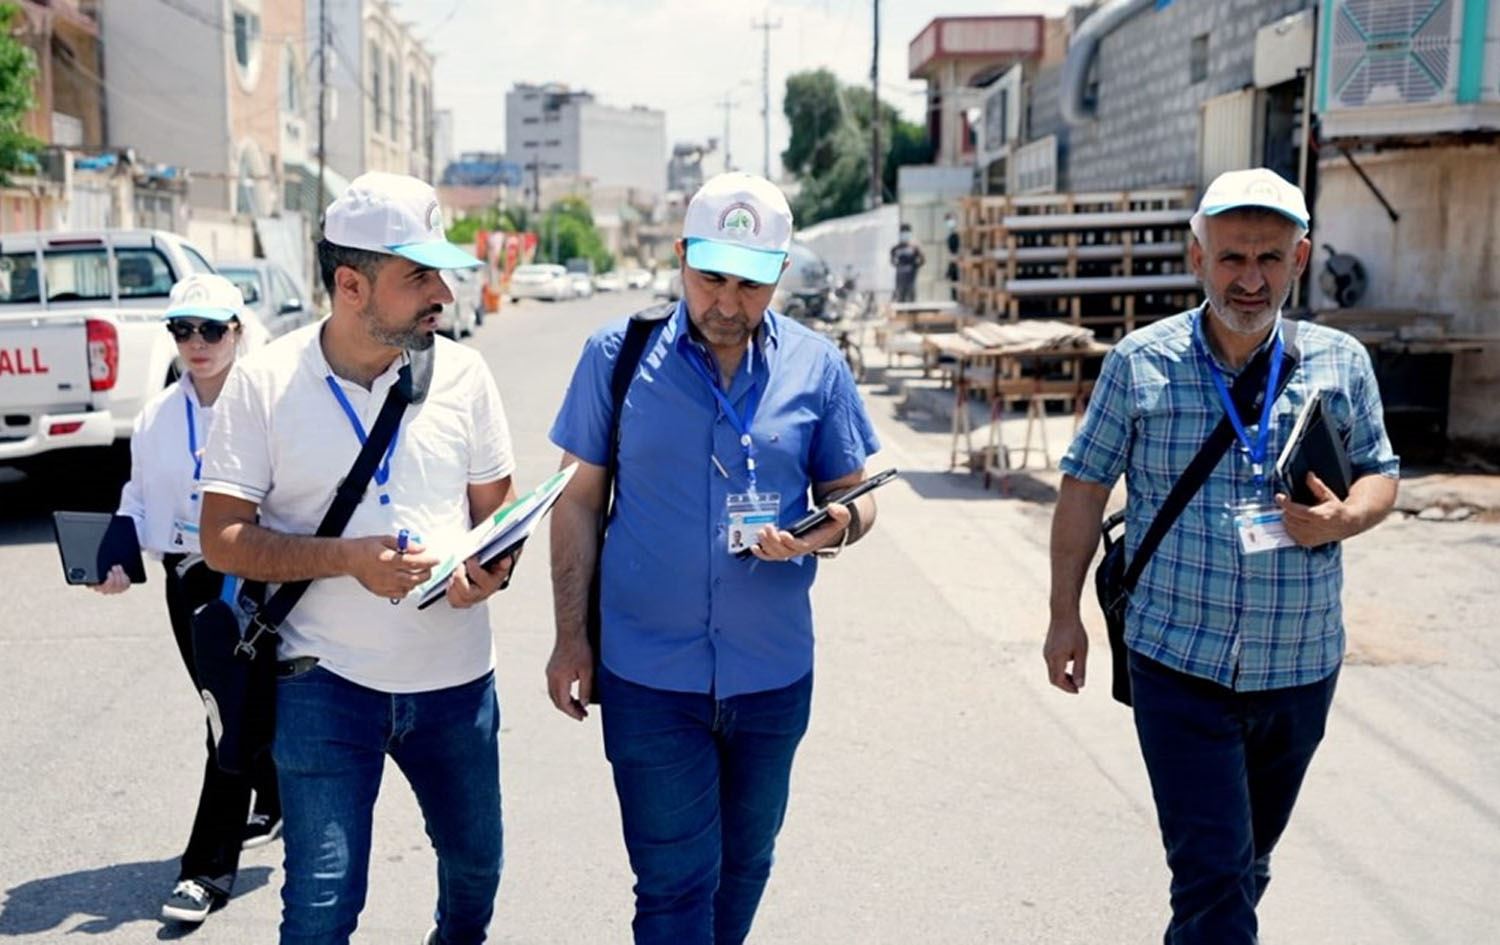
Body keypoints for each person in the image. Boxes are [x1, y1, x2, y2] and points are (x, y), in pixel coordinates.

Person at [1043, 168, 1400, 945]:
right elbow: (1083, 487)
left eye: (1269, 257)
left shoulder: (1340, 361)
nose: (1250, 278)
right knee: (1212, 875)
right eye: (1232, 256)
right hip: (1178, 661)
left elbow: (1382, 472)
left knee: (1245, 863)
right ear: (1197, 256)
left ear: (1299, 258)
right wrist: (1063, 615)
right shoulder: (1140, 362)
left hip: (1299, 665)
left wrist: (1346, 516)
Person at [547, 171, 882, 945]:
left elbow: (857, 495)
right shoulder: (615, 357)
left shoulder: (817, 365)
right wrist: (570, 637)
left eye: (750, 284)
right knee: (673, 886)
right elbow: (577, 503)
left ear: (780, 275)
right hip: (648, 676)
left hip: (772, 675)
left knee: (745, 866)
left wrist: (829, 528)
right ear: (680, 257)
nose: (727, 303)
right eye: (710, 278)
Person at [198, 171, 519, 945]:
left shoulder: (466, 375)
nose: (443, 293)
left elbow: (501, 514)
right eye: (419, 276)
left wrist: (491, 571)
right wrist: (347, 559)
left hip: (455, 683)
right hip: (323, 683)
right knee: (321, 908)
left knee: (476, 867)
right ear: (350, 285)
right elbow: (222, 537)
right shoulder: (263, 384)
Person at [91, 273, 281, 925]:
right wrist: (115, 558)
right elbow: (139, 501)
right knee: (229, 707)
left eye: (211, 329)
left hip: (259, 576)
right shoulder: (156, 416)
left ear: (238, 331)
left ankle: (204, 871)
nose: (196, 343)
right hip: (190, 581)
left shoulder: (269, 403)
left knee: (227, 719)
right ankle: (271, 797)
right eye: (182, 329)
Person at [889, 223, 924, 303]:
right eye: (902, 232)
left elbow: (922, 259)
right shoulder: (896, 248)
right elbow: (892, 260)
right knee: (900, 296)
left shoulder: (914, 247)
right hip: (900, 276)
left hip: (911, 276)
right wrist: (898, 266)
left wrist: (915, 266)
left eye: (906, 232)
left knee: (911, 295)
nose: (904, 234)